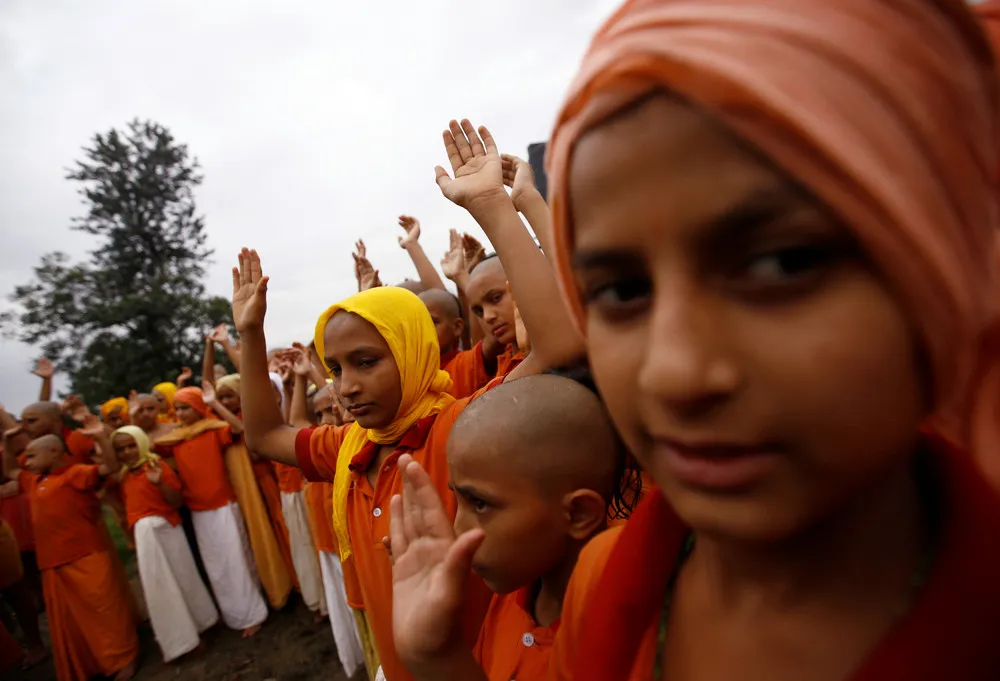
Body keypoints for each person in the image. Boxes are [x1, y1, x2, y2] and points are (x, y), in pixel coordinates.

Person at [539, 0, 1000, 679]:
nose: (675, 372)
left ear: (942, 265)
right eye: (621, 291)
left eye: (782, 264)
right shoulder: (599, 582)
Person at [231, 115, 583, 679]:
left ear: (417, 352)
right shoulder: (352, 447)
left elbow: (558, 345)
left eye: (367, 363)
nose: (345, 386)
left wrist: (493, 203)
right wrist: (250, 335)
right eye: (336, 368)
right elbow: (264, 436)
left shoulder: (463, 428)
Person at [390, 373, 627, 681]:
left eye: (479, 504)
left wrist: (436, 659)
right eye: (457, 500)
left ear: (579, 513)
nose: (458, 530)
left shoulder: (626, 635)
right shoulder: (514, 594)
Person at [2, 433, 138, 681]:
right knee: (74, 621)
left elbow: (110, 467)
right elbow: (10, 469)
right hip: (53, 561)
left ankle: (124, 658)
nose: (27, 462)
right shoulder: (33, 481)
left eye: (32, 456)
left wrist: (100, 435)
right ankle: (93, 664)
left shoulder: (75, 474)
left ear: (54, 452)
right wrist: (7, 443)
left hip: (86, 554)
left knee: (104, 610)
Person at [153, 387, 268, 638]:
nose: (181, 413)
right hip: (198, 510)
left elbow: (238, 428)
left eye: (186, 407)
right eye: (178, 408)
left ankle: (253, 614)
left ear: (197, 407)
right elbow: (150, 442)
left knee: (236, 560)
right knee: (217, 566)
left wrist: (214, 403)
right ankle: (234, 615)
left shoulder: (213, 429)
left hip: (223, 505)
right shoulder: (175, 439)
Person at [105, 425, 218, 663]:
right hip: (146, 537)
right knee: (160, 587)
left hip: (165, 530)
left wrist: (159, 484)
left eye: (131, 445)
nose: (127, 453)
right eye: (120, 449)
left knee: (182, 577)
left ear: (142, 443)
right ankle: (181, 640)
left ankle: (201, 625)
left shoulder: (156, 466)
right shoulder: (125, 474)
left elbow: (176, 501)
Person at [212, 373, 296, 611]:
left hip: (267, 481)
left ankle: (297, 581)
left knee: (282, 527)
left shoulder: (248, 417)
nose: (226, 402)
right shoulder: (221, 422)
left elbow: (242, 431)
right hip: (249, 487)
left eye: (229, 396)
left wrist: (214, 404)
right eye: (221, 398)